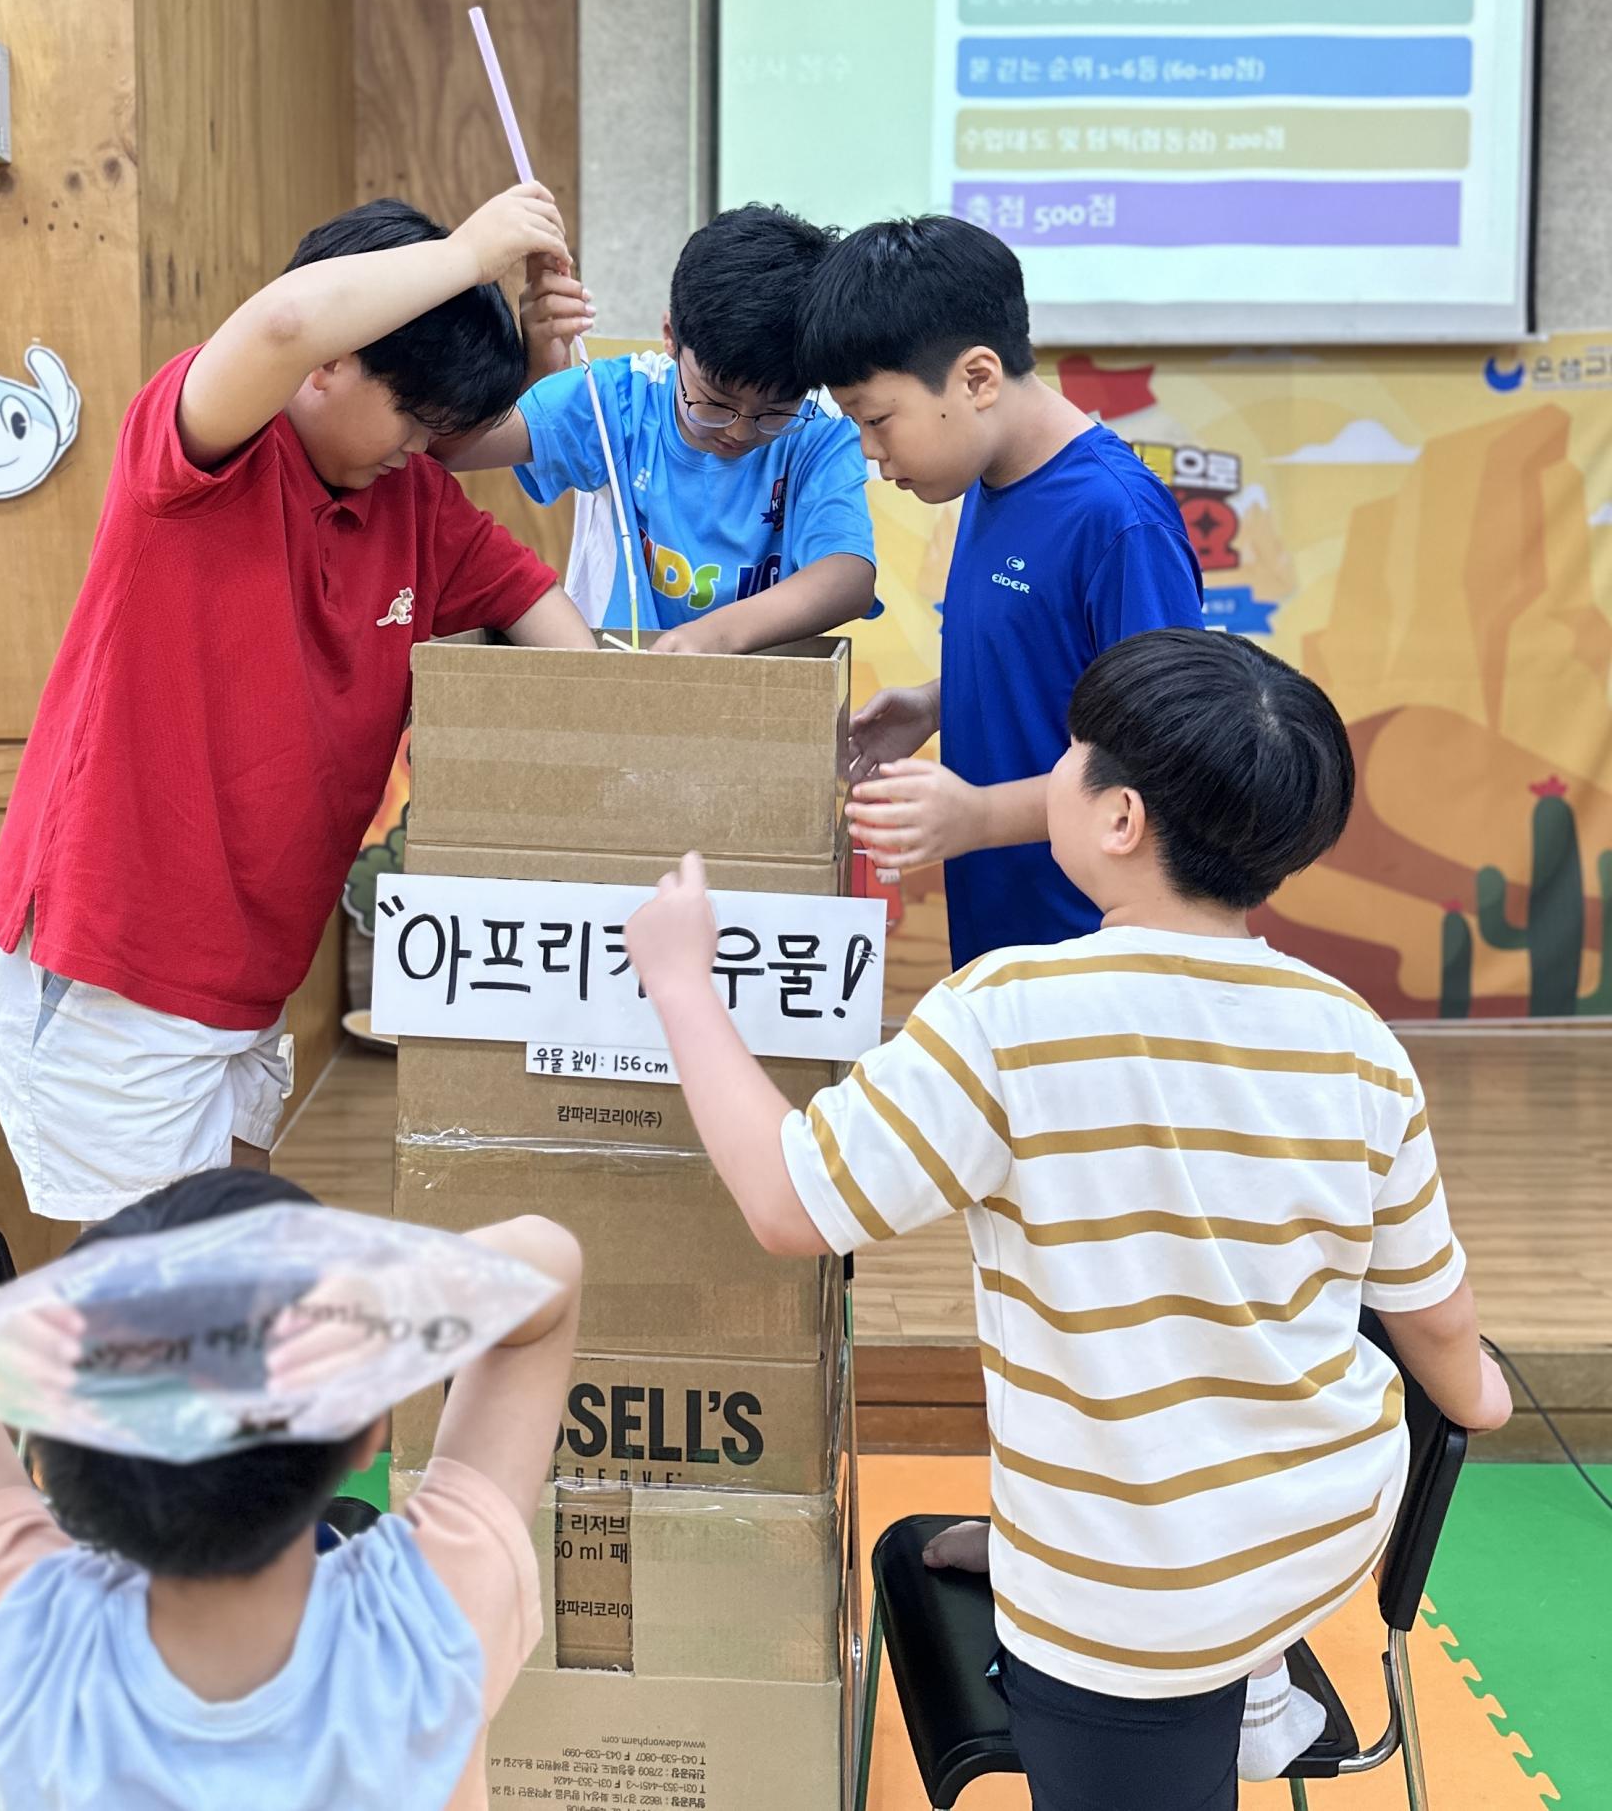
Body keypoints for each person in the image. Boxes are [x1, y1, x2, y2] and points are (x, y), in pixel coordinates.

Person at [624, 630, 1512, 1810]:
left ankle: (1205, 1653)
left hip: (1131, 1600)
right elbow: (1434, 1319)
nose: (1052, 769)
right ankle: (1245, 1661)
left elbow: (791, 1203)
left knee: (1141, 1619)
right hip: (1318, 1525)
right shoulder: (1358, 1040)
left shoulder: (1011, 1013)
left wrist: (681, 982)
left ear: (1120, 818)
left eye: (1069, 751)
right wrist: (1478, 1401)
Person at [0, 189, 594, 1222]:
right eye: (412, 415)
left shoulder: (414, 502)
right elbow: (284, 320)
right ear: (329, 364)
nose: (422, 445)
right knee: (165, 1304)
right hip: (118, 975)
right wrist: (469, 253)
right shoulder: (203, 458)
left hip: (247, 984)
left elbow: (548, 620)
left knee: (242, 1271)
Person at [0, 1167, 584, 1811]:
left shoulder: (27, 1649)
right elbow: (549, 1261)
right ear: (367, 1428)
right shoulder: (428, 1628)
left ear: (52, 1453)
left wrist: (74, 1331)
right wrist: (371, 1302)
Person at [794, 216, 1203, 965]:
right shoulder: (990, 477)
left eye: (878, 420)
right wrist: (936, 703)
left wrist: (980, 816)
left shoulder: (1118, 519)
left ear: (978, 379)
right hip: (1002, 939)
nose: (870, 452)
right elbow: (1064, 664)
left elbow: (1167, 763)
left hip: (1096, 955)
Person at [440, 202, 878, 653]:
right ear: (671, 337)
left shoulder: (819, 434)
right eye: (715, 403)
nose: (740, 432)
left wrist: (714, 637)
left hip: (755, 691)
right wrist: (532, 369)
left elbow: (849, 576)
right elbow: (451, 445)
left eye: (775, 413)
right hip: (618, 677)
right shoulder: (619, 400)